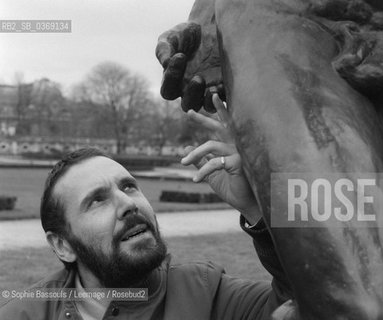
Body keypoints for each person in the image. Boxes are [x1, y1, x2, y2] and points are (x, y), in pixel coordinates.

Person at [0, 95, 292, 320]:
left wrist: (260, 206)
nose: (128, 203)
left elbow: (312, 302)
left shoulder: (208, 294)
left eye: (128, 186)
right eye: (97, 200)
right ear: (62, 245)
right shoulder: (22, 314)